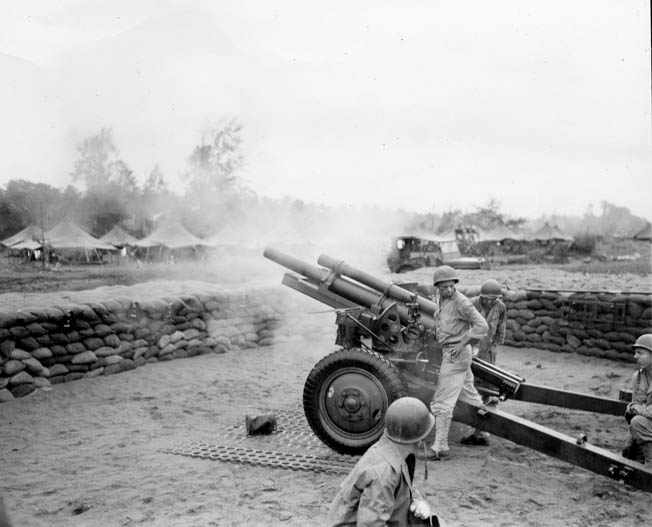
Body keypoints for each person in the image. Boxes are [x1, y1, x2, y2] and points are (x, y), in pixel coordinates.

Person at [328, 397, 441, 527]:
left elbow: (403, 483)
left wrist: (417, 499)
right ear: (418, 440)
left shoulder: (393, 447)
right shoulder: (383, 474)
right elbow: (370, 524)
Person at [419, 266, 489, 461]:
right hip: (452, 353)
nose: (449, 290)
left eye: (451, 286)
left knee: (442, 402)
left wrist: (462, 342)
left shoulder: (461, 302)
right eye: (444, 287)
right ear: (437, 287)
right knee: (470, 394)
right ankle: (480, 432)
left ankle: (440, 447)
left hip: (455, 354)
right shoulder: (442, 300)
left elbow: (482, 326)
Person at [461, 279, 507, 446]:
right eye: (486, 298)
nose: (489, 301)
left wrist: (495, 345)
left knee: (487, 383)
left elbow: (501, 326)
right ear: (481, 296)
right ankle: (473, 417)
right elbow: (463, 326)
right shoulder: (471, 304)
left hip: (487, 350)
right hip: (470, 348)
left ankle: (482, 430)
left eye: (493, 299)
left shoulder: (500, 306)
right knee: (470, 383)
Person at [622, 334, 652, 465]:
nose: (635, 357)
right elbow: (636, 405)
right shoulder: (638, 377)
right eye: (635, 353)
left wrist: (639, 409)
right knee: (629, 453)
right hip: (648, 425)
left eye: (641, 353)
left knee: (638, 422)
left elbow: (640, 410)